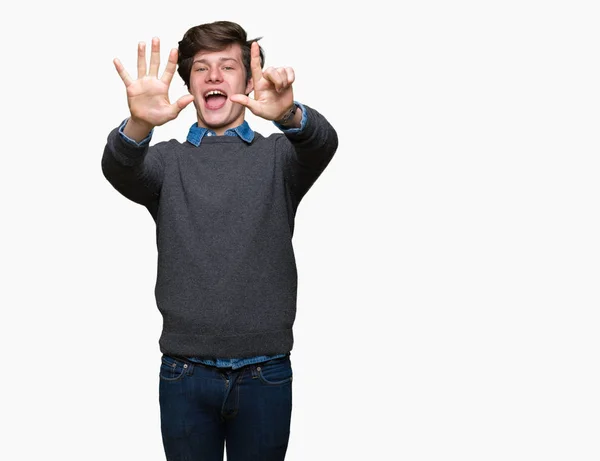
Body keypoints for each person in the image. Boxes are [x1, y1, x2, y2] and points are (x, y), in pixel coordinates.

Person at [101, 20, 338, 461]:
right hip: (185, 372)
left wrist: (290, 115)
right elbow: (120, 169)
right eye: (202, 68)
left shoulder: (278, 157)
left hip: (265, 370)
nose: (214, 77)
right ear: (188, 83)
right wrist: (137, 125)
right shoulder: (166, 163)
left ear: (249, 80)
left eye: (228, 66)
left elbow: (322, 144)